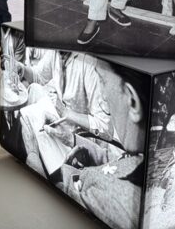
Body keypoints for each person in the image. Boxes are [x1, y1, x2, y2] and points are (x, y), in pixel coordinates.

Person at [61, 61, 149, 229]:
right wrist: (71, 139)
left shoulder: (109, 198)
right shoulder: (145, 153)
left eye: (102, 80)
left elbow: (62, 202)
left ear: (132, 101)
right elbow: (123, 162)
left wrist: (33, 152)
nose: (102, 95)